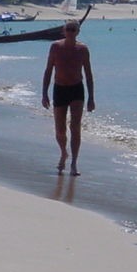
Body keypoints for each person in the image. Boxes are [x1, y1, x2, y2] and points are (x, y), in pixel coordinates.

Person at [41, 19, 95, 176]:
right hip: (59, 89)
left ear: (78, 32)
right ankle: (64, 152)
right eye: (68, 29)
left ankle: (74, 163)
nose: (71, 32)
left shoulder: (83, 49)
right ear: (64, 31)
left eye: (73, 29)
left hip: (77, 89)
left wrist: (91, 97)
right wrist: (44, 93)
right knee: (60, 129)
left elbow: (89, 74)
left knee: (75, 127)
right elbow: (48, 70)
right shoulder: (56, 47)